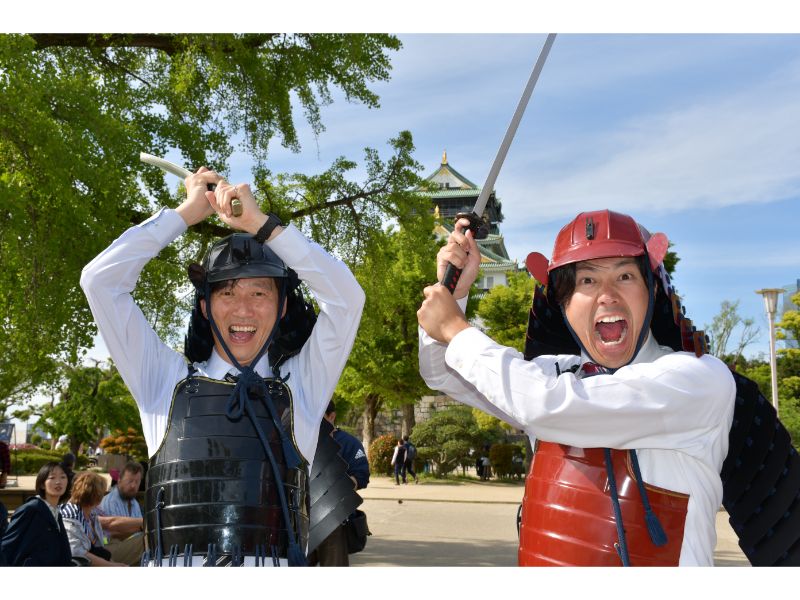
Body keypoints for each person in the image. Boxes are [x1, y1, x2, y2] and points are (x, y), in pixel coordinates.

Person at [418, 210, 736, 566]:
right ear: (564, 304)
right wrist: (454, 292)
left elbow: (547, 405)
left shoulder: (697, 381)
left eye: (626, 276)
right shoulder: (550, 375)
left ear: (652, 292)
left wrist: (457, 329)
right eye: (587, 281)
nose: (607, 295)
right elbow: (442, 371)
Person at [80, 167, 364, 566]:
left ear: (282, 307)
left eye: (259, 292)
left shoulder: (302, 386)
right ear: (204, 307)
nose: (243, 308)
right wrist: (183, 214)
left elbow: (347, 300)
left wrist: (262, 226)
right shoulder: (163, 381)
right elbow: (99, 282)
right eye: (227, 291)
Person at [307, 400, 370, 566]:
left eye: (320, 418)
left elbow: (361, 476)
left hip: (334, 520)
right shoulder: (302, 441)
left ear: (332, 416)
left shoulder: (349, 443)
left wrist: (335, 482)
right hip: (301, 520)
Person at [1, 462, 72, 566]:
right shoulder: (30, 509)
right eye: (52, 478)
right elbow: (6, 546)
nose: (58, 482)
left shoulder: (56, 512)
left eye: (63, 477)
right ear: (42, 484)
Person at [60, 471, 127, 567]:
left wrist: (112, 563)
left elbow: (100, 548)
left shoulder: (92, 515)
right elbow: (77, 552)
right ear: (97, 498)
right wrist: (111, 565)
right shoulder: (69, 516)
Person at [98, 461, 145, 566]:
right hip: (109, 548)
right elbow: (115, 531)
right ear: (119, 480)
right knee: (147, 539)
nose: (133, 485)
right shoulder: (110, 501)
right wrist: (143, 525)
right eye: (130, 481)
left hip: (128, 547)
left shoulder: (134, 502)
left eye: (137, 482)